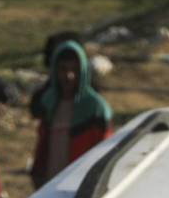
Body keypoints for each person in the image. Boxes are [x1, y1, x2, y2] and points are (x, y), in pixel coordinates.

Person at [30, 40, 113, 189]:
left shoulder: (95, 108)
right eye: (63, 69)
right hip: (49, 184)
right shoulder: (49, 102)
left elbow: (103, 154)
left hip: (78, 185)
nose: (69, 76)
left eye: (74, 69)